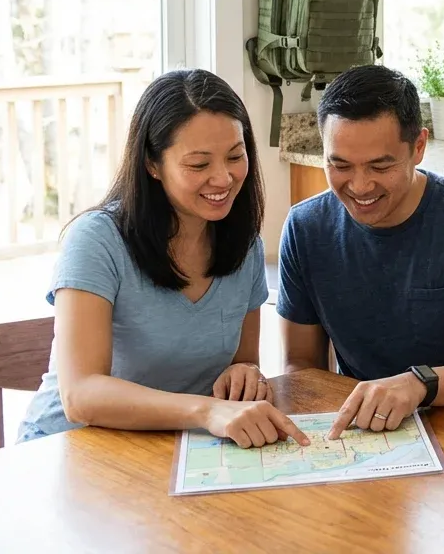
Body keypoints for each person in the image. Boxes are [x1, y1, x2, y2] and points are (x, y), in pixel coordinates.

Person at [17, 69, 310, 449]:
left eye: (235, 156)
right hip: (69, 448)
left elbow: (242, 361)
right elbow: (81, 396)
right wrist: (207, 411)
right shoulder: (96, 239)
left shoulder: (244, 244)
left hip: (173, 448)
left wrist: (245, 373)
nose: (223, 178)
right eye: (199, 164)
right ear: (152, 164)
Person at [277, 65, 444, 439]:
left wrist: (417, 384)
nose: (360, 186)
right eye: (340, 165)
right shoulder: (305, 227)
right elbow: (301, 365)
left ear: (418, 147)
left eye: (380, 166)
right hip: (374, 435)